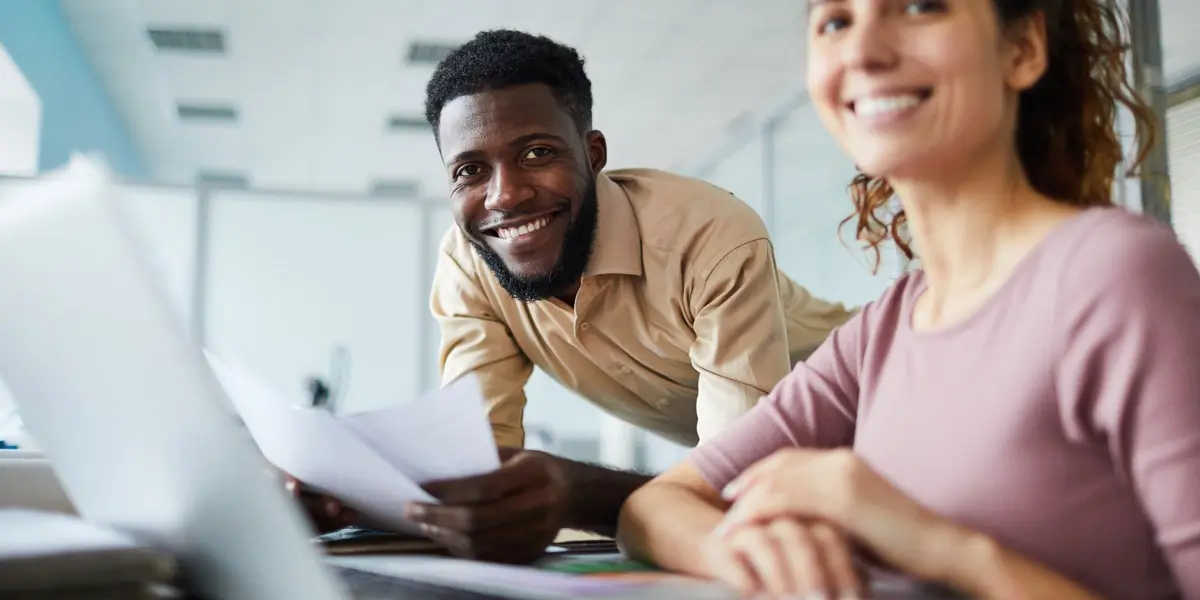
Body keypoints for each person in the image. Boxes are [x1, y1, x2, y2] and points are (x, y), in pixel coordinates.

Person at [616, 1, 1200, 599]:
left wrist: (941, 547)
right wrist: (744, 548)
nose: (864, 52)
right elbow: (655, 506)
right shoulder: (885, 328)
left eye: (922, 7)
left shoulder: (1116, 275)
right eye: (837, 21)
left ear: (1022, 49)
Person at [287, 29, 857, 564]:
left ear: (594, 152)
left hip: (876, 419)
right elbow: (479, 461)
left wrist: (569, 495)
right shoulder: (469, 262)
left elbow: (734, 487)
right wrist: (345, 493)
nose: (504, 196)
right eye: (470, 169)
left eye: (537, 153)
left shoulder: (707, 236)